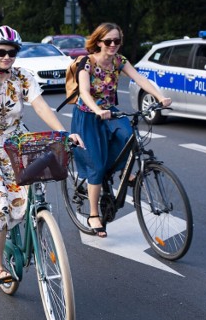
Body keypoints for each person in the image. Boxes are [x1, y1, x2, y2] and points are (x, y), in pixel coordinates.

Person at [0, 25, 83, 286]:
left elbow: (40, 106)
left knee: (29, 197)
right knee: (0, 202)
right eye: (1, 52)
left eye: (13, 52)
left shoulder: (23, 77)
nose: (7, 57)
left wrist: (63, 133)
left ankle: (29, 234)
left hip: (18, 146)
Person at [72, 23, 171, 238]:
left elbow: (140, 79)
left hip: (110, 112)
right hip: (88, 115)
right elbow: (84, 92)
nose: (113, 45)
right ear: (98, 42)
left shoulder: (119, 61)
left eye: (117, 41)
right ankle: (93, 214)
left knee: (128, 135)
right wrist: (97, 109)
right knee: (96, 167)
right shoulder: (86, 63)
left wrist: (159, 96)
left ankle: (123, 171)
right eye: (108, 41)